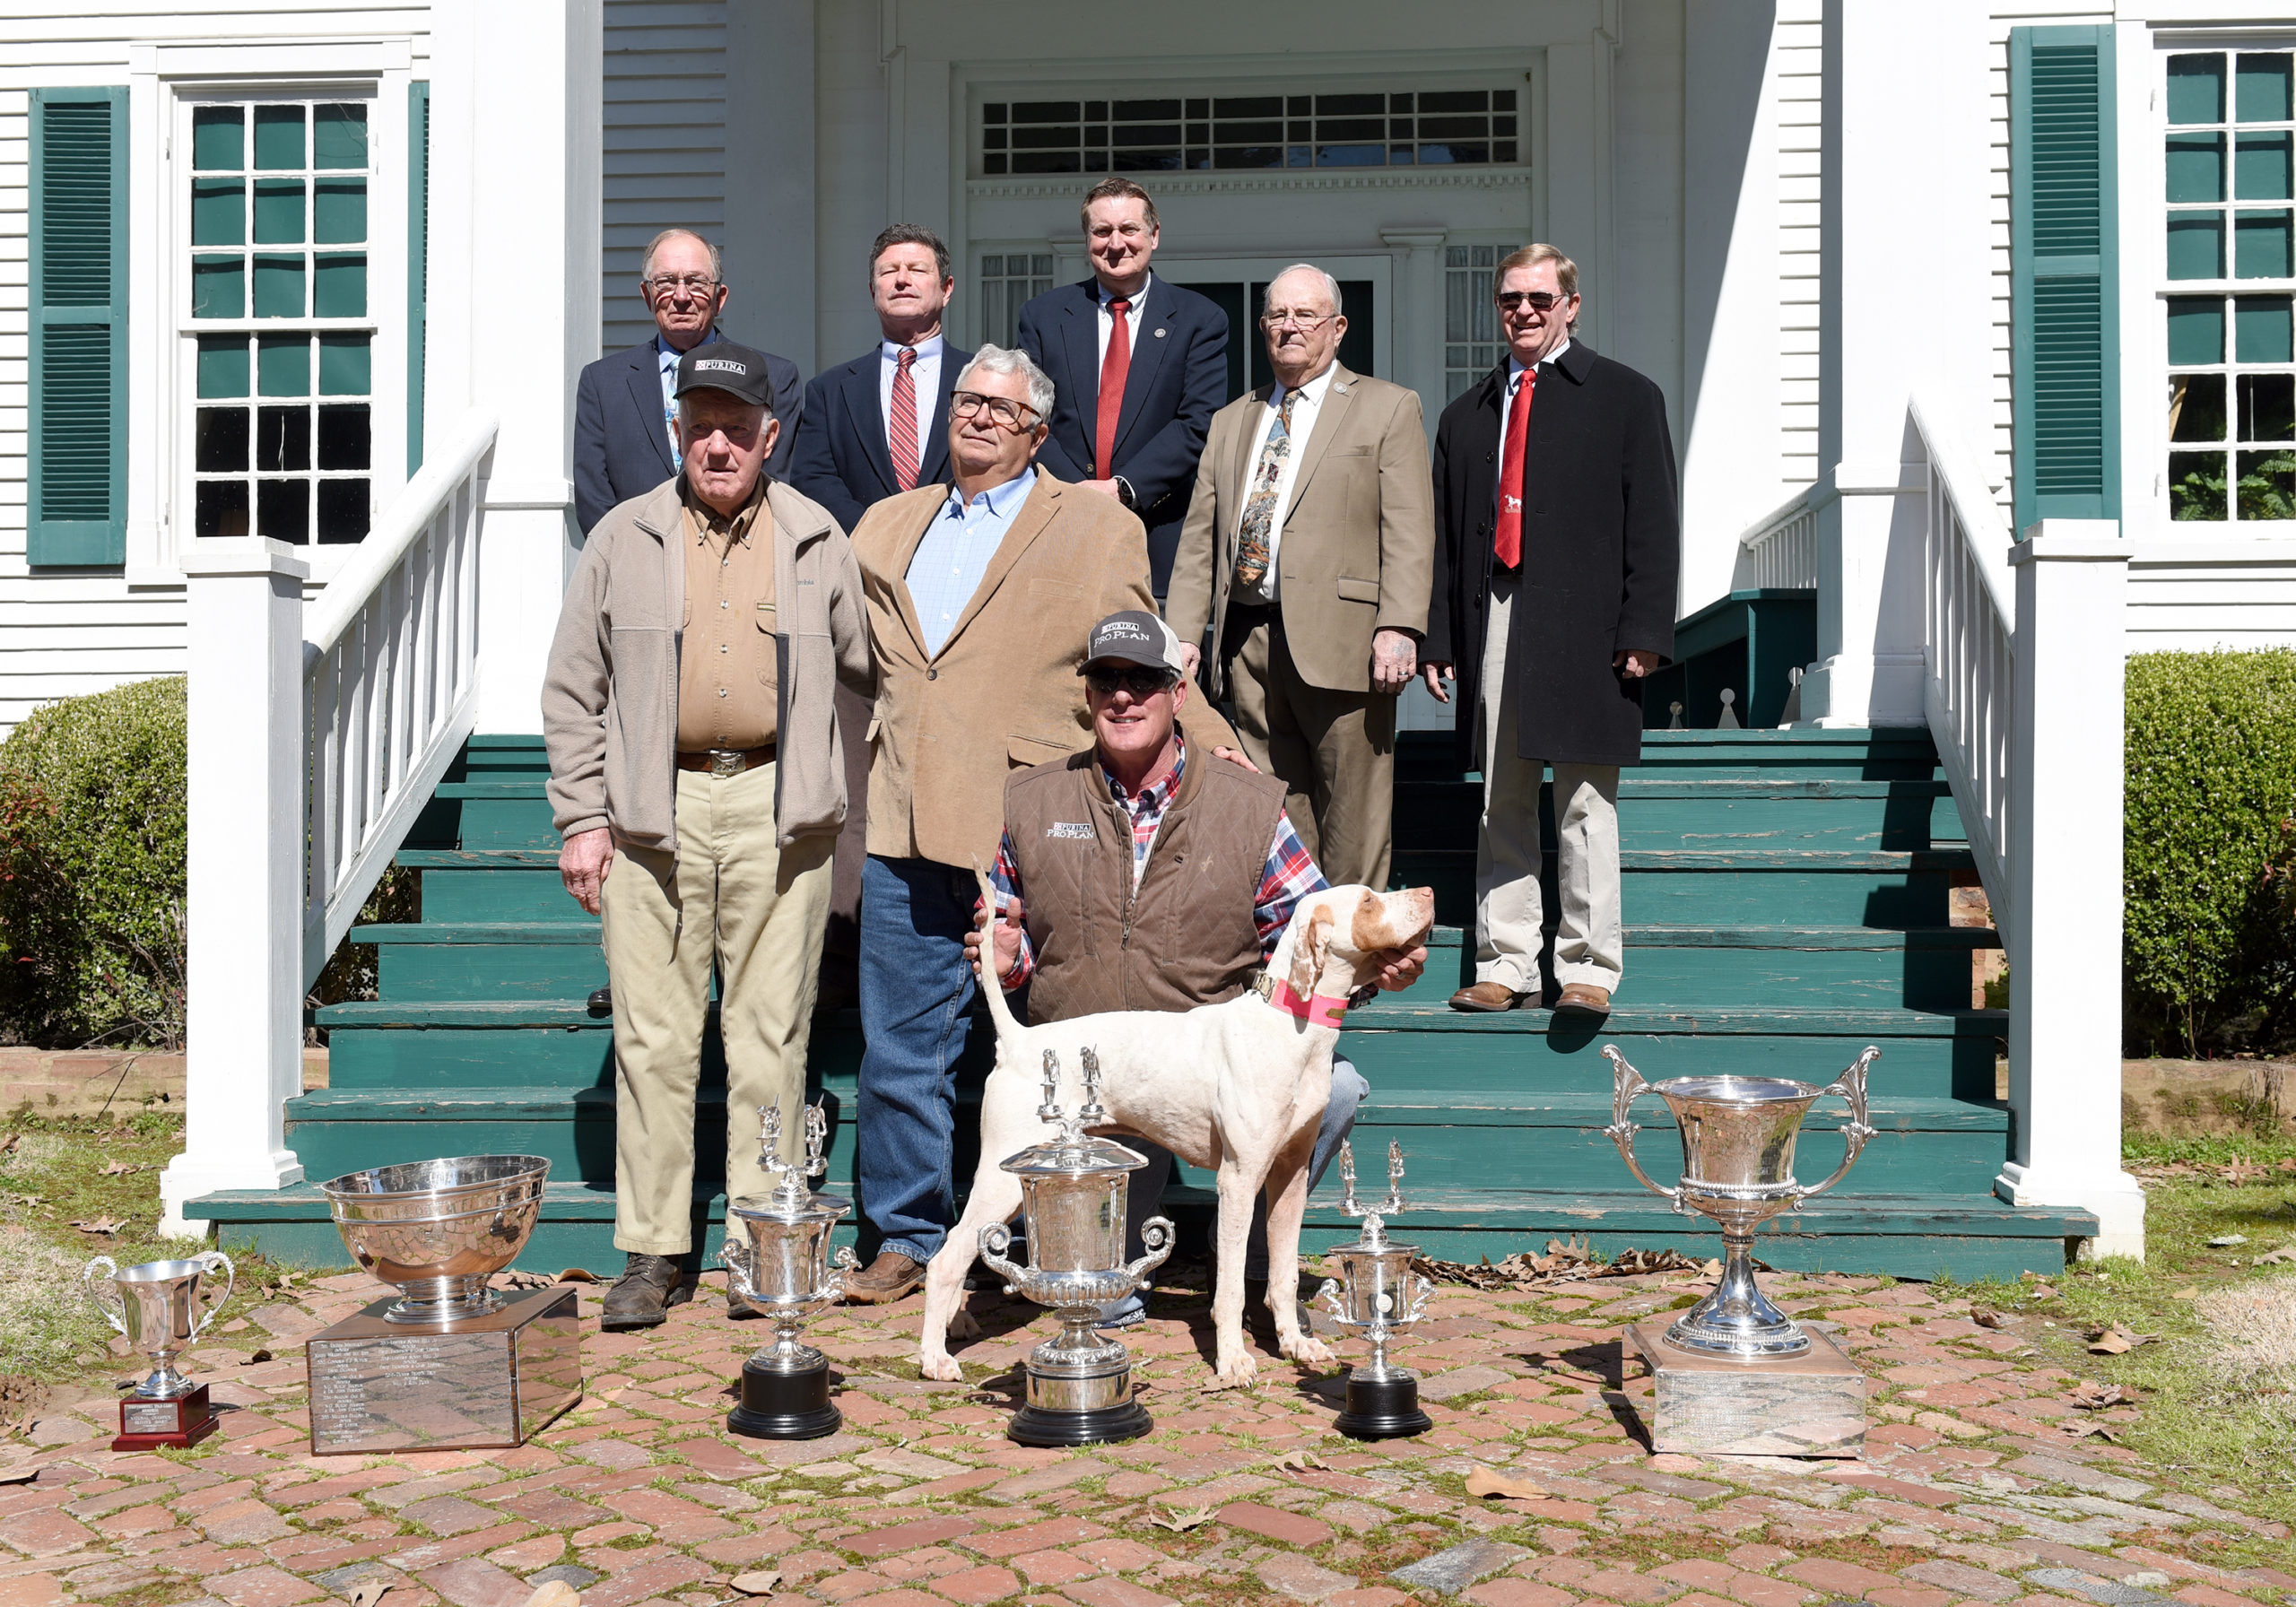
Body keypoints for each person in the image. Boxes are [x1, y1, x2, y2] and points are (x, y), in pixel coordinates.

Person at [841, 344, 1240, 1306]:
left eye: (1000, 408)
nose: (977, 417)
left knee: (1047, 1042)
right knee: (899, 1042)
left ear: (1036, 431)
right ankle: (905, 1234)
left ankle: (1048, 1233)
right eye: (967, 401)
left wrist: (1211, 737)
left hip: (1026, 814)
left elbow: (1136, 645)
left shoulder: (1093, 524)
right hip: (901, 809)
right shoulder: (885, 524)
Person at [966, 610, 1425, 1326]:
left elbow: (1311, 941)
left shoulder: (1248, 806)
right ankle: (1081, 1245)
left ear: (1178, 692)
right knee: (1097, 1312)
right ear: (1087, 696)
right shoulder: (1035, 800)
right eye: (1107, 680)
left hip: (1204, 1077)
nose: (1124, 697)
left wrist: (1376, 967)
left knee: (1332, 1087)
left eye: (1143, 680)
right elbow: (1019, 945)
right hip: (1086, 1085)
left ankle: (1243, 1260)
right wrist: (1005, 954)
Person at [542, 342, 871, 1329]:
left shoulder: (816, 537)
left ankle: (759, 1240)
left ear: (772, 436)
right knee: (654, 1038)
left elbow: (869, 670)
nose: (717, 444)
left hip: (781, 814)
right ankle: (654, 1250)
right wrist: (582, 818)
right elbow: (572, 690)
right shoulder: (621, 537)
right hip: (654, 814)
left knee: (770, 1038)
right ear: (678, 431)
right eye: (700, 426)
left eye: (736, 427)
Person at [1422, 244, 1679, 1017]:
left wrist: (1644, 628)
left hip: (1590, 623)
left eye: (1539, 298)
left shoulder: (1628, 397)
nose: (1524, 312)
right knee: (1501, 796)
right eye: (1510, 300)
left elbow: (1655, 525)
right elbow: (1441, 538)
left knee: (1584, 804)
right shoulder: (1467, 414)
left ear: (1571, 303)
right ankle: (1505, 960)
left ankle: (1587, 968)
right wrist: (1440, 637)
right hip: (1495, 611)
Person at [1164, 265, 1436, 893]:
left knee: (1353, 811)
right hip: (1249, 642)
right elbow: (1199, 540)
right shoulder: (1233, 419)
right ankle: (1294, 946)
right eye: (1276, 317)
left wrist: (1398, 625)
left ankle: (1350, 963)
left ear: (1338, 328)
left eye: (1305, 316)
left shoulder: (1387, 407)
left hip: (1346, 640)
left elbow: (1409, 528)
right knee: (1273, 807)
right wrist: (1182, 634)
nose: (1288, 328)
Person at [1016, 178, 1228, 594]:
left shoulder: (1199, 319)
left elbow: (1197, 422)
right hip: (1059, 525)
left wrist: (1123, 489)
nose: (1116, 243)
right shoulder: (1042, 317)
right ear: (1087, 238)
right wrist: (1076, 493)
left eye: (1129, 229)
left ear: (1154, 235)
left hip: (1159, 534)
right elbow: (1028, 414)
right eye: (1102, 231)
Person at [573, 229, 804, 536]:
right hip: (637, 567)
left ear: (719, 298)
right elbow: (593, 500)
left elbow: (776, 487)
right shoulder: (602, 384)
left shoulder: (774, 378)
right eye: (667, 282)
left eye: (695, 282)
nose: (681, 297)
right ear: (647, 295)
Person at [789, 225, 974, 534]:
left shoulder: (984, 380)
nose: (902, 279)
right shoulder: (829, 391)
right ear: (873, 292)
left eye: (917, 269)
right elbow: (813, 478)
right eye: (889, 271)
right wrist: (876, 535)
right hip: (863, 564)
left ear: (947, 289)